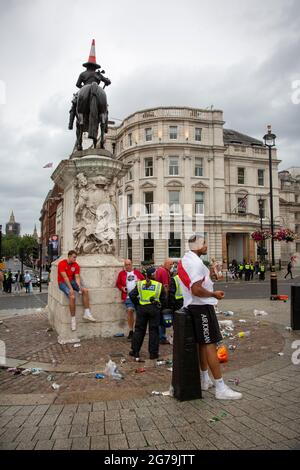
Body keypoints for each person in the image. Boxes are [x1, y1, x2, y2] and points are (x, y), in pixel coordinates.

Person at [178, 234, 242, 400]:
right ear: (198, 245)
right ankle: (220, 387)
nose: (206, 246)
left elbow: (196, 283)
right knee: (209, 345)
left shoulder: (186, 259)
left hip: (194, 305)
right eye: (204, 243)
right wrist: (214, 294)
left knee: (202, 344)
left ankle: (204, 378)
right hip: (201, 307)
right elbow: (196, 289)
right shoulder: (196, 263)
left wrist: (211, 277)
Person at [129, 267, 166, 361]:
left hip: (142, 309)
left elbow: (132, 295)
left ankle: (135, 351)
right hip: (154, 309)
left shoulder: (140, 283)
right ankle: (153, 353)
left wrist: (137, 304)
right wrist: (159, 307)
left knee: (139, 330)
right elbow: (164, 299)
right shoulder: (159, 285)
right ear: (154, 275)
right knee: (154, 331)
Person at [58, 250, 96, 331]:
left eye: (76, 257)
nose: (75, 259)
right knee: (72, 296)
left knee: (85, 290)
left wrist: (79, 287)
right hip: (62, 283)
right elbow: (65, 278)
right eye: (74, 257)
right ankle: (73, 319)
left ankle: (87, 313)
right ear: (69, 256)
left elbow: (77, 277)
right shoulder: (61, 263)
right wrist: (71, 289)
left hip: (72, 281)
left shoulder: (76, 265)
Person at [116, 259, 144, 340]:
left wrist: (140, 282)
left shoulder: (137, 272)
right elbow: (118, 283)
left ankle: (139, 331)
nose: (127, 266)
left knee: (140, 314)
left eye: (129, 264)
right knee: (130, 310)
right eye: (126, 265)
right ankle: (131, 331)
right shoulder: (122, 273)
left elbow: (144, 281)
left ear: (132, 264)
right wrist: (122, 288)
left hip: (138, 296)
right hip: (128, 296)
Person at [155, 259, 174, 344]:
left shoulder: (159, 270)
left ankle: (160, 336)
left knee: (159, 319)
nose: (171, 266)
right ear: (166, 264)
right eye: (170, 264)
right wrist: (166, 300)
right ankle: (162, 338)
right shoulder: (164, 272)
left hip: (158, 297)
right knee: (162, 319)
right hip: (162, 298)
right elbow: (166, 287)